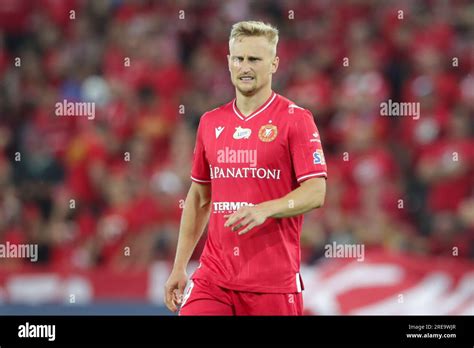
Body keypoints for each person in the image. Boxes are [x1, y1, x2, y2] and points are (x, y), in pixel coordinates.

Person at [164, 21, 327, 315]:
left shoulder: (296, 119)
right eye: (238, 59)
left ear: (274, 64)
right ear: (228, 62)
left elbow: (316, 192)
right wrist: (179, 266)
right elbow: (200, 198)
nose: (245, 67)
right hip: (213, 277)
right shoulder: (211, 122)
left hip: (272, 283)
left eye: (254, 59)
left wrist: (266, 208)